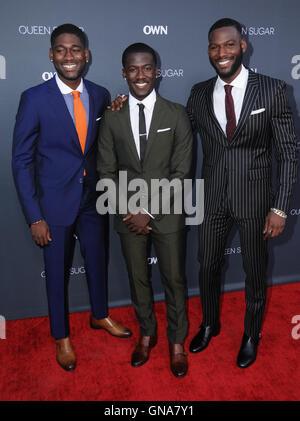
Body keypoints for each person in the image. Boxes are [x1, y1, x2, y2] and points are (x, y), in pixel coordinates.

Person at [12, 23, 131, 372]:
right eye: (61, 50)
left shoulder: (100, 93)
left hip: (93, 199)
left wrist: (116, 113)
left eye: (75, 49)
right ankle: (61, 335)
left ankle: (100, 315)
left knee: (97, 262)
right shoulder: (34, 98)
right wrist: (35, 216)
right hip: (53, 205)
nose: (69, 56)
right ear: (51, 55)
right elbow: (21, 161)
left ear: (86, 54)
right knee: (56, 271)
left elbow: (103, 140)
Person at [187, 18, 298, 368]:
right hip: (212, 196)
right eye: (215, 47)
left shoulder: (273, 89)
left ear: (243, 46)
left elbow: (289, 153)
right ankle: (209, 323)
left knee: (254, 270)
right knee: (207, 267)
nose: (222, 53)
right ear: (209, 50)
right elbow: (175, 134)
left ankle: (252, 334)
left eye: (229, 45)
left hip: (255, 200)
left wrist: (280, 208)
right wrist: (126, 106)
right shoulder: (199, 93)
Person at [97, 43, 193, 377]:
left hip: (167, 214)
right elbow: (105, 170)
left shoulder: (176, 113)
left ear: (157, 71)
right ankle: (147, 333)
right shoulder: (112, 115)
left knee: (174, 279)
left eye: (147, 68)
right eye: (133, 69)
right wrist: (130, 211)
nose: (141, 75)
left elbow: (182, 172)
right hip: (127, 216)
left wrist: (148, 212)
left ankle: (177, 341)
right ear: (124, 73)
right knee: (138, 280)